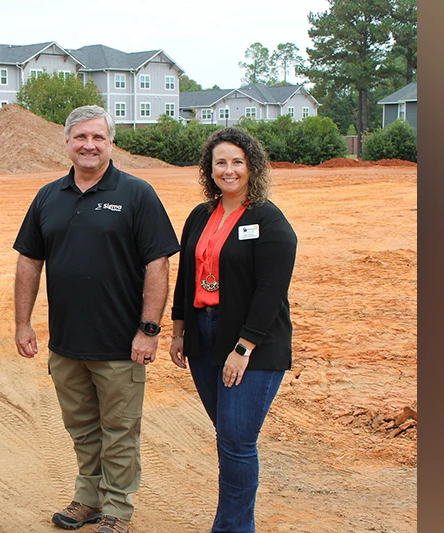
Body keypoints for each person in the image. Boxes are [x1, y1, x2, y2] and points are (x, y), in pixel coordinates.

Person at [13, 105, 180, 533]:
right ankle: (87, 498)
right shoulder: (49, 197)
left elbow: (157, 264)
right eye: (81, 137)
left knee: (120, 432)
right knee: (83, 429)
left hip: (121, 344)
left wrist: (148, 330)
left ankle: (117, 509)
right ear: (66, 142)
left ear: (111, 143)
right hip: (67, 344)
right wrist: (22, 322)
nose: (89, 145)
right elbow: (29, 261)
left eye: (98, 138)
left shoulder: (137, 193)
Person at [168, 127, 297, 533]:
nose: (228, 170)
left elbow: (270, 291)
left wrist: (243, 348)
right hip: (204, 336)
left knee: (238, 443)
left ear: (251, 167)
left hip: (251, 342)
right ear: (209, 168)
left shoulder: (268, 219)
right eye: (220, 162)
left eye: (237, 162)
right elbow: (186, 275)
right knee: (227, 438)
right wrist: (178, 330)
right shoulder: (200, 215)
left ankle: (234, 528)